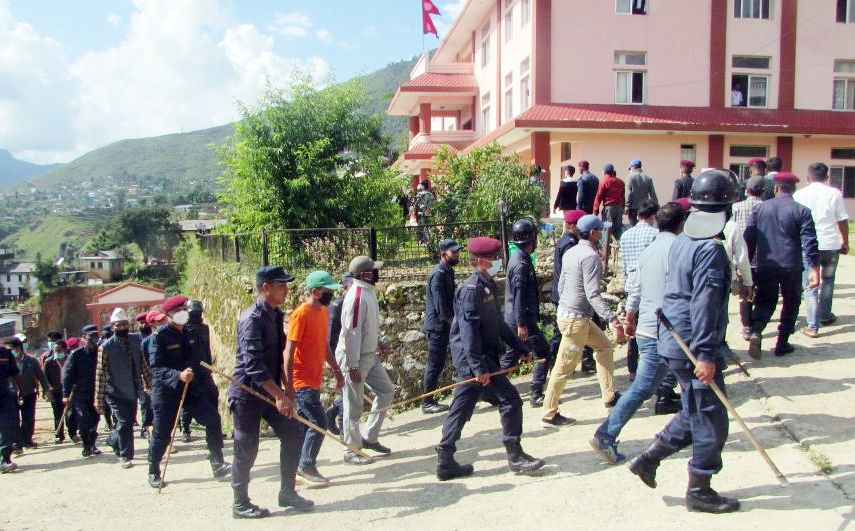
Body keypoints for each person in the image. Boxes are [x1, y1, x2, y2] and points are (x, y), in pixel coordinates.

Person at [628, 169, 741, 514]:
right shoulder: (710, 249)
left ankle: (649, 459)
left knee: (695, 411)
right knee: (711, 419)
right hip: (692, 344)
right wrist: (706, 353)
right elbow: (704, 304)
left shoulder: (683, 241)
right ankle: (699, 489)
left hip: (675, 339)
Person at [434, 236, 544, 480]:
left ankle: (445, 459)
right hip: (475, 360)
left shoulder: (488, 285)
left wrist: (520, 347)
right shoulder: (471, 290)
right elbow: (468, 332)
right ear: (481, 261)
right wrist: (478, 368)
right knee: (511, 401)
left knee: (461, 408)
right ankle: (515, 455)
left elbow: (499, 324)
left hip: (480, 359)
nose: (498, 261)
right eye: (494, 258)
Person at [591, 202, 685, 464]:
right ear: (681, 224)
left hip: (648, 328)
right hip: (668, 331)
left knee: (647, 387)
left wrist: (630, 318)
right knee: (652, 386)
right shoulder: (680, 249)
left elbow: (636, 291)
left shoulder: (649, 251)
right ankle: (606, 435)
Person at [229, 266, 314, 519]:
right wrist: (279, 396)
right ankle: (240, 503)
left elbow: (279, 356)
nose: (286, 289)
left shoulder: (275, 314)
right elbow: (254, 366)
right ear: (265, 287)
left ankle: (287, 492)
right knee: (247, 446)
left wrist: (288, 389)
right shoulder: (251, 319)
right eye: (281, 285)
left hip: (270, 390)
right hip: (247, 393)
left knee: (293, 432)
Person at [541, 215, 626, 428]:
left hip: (572, 315)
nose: (603, 234)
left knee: (604, 347)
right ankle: (549, 414)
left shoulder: (572, 252)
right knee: (564, 367)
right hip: (576, 318)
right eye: (601, 230)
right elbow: (593, 294)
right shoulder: (590, 256)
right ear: (593, 232)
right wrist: (612, 318)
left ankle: (609, 396)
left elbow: (561, 285)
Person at [147, 295, 230, 489]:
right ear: (168, 315)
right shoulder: (159, 337)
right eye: (178, 311)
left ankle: (217, 463)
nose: (183, 313)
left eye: (184, 309)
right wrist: (178, 375)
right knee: (162, 433)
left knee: (212, 419)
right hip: (166, 391)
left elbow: (197, 359)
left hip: (191, 387)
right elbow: (156, 368)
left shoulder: (191, 332)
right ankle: (153, 470)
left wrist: (206, 378)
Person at [744, 172, 820, 358]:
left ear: (776, 188)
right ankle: (782, 343)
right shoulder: (802, 211)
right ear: (794, 189)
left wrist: (746, 266)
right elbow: (810, 242)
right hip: (791, 266)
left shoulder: (760, 209)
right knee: (791, 302)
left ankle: (756, 331)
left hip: (766, 264)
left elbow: (749, 239)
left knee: (764, 300)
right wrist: (814, 268)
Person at [283, 270, 345, 487]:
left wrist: (336, 369)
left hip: (314, 378)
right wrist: (288, 385)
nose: (331, 294)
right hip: (301, 381)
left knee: (305, 426)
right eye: (328, 291)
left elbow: (324, 344)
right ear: (315, 292)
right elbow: (289, 352)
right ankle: (306, 466)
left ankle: (296, 468)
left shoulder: (324, 311)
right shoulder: (300, 315)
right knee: (319, 423)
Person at [336, 255, 395, 464]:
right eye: (373, 270)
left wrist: (379, 340)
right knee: (353, 406)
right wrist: (352, 366)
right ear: (364, 274)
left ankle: (369, 437)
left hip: (369, 354)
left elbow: (369, 324)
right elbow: (351, 333)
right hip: (355, 358)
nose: (377, 273)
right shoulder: (357, 296)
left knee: (386, 391)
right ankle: (351, 450)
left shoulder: (368, 291)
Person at [793, 163, 850, 337]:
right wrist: (845, 241)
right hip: (830, 243)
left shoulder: (799, 194)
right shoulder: (834, 193)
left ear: (808, 177)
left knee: (810, 284)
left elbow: (794, 221)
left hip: (808, 244)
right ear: (827, 177)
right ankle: (825, 314)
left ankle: (812, 325)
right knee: (828, 280)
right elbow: (842, 219)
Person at [502, 218, 551, 407]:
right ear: (531, 239)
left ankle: (490, 390)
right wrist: (522, 324)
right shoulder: (521, 264)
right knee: (543, 352)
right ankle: (536, 393)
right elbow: (519, 296)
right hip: (521, 320)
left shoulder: (520, 258)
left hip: (516, 318)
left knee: (511, 356)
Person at [94, 308, 151, 469]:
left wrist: (149, 383)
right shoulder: (106, 347)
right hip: (114, 391)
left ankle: (112, 440)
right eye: (118, 325)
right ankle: (125, 455)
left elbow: (142, 363)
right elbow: (100, 373)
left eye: (124, 324)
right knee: (125, 422)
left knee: (127, 421)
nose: (122, 328)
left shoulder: (136, 340)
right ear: (112, 327)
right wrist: (98, 399)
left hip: (132, 389)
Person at [618, 200, 660, 381]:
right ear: (654, 216)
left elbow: (624, 264)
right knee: (652, 330)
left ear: (637, 216)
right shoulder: (656, 234)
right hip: (649, 287)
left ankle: (632, 370)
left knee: (633, 331)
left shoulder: (626, 235)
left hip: (630, 286)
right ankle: (652, 370)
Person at [422, 239, 461, 414]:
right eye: (454, 252)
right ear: (444, 254)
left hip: (447, 324)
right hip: (438, 327)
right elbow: (441, 307)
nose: (457, 255)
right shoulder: (437, 274)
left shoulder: (448, 271)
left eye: (458, 251)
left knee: (461, 357)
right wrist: (454, 325)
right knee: (435, 364)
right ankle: (427, 402)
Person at [548, 209, 586, 379]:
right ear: (573, 225)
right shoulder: (570, 244)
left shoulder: (566, 241)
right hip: (565, 294)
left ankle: (586, 362)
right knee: (561, 333)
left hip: (563, 293)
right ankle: (553, 366)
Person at [731, 175, 765, 340]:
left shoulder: (737, 207)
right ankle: (757, 323)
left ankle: (746, 325)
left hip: (743, 255)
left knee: (745, 292)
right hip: (763, 256)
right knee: (761, 292)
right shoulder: (766, 207)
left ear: (746, 190)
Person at [5, 336, 52, 451]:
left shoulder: (31, 360)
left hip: (29, 393)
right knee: (13, 419)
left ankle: (27, 440)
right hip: (12, 395)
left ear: (18, 348)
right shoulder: (6, 363)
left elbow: (41, 376)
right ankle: (16, 443)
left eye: (10, 349)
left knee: (28, 418)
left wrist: (46, 390)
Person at [63, 325, 103, 458]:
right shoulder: (76, 354)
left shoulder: (101, 352)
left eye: (96, 336)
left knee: (95, 419)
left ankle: (92, 444)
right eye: (91, 336)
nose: (94, 339)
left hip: (96, 392)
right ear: (84, 338)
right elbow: (67, 376)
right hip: (79, 394)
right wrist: (65, 394)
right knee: (84, 419)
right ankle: (86, 446)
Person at [324, 273, 354, 435]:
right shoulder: (337, 305)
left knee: (350, 392)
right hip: (340, 354)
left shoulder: (356, 302)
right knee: (347, 393)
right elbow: (329, 336)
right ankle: (344, 430)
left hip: (354, 353)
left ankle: (334, 410)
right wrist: (330, 361)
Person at [181, 299, 212, 443]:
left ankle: (212, 429)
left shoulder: (204, 328)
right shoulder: (184, 330)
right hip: (190, 370)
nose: (196, 315)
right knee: (190, 400)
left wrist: (209, 366)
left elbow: (207, 349)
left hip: (204, 370)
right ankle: (185, 428)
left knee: (211, 395)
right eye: (194, 313)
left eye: (198, 312)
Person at [44, 338, 76, 444]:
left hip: (70, 391)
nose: (56, 352)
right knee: (57, 414)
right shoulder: (49, 362)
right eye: (55, 350)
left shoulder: (71, 359)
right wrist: (47, 391)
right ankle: (59, 436)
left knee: (70, 414)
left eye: (59, 350)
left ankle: (73, 434)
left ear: (64, 349)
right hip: (56, 391)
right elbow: (45, 378)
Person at [1, 341, 24, 473]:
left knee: (8, 427)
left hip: (5, 397)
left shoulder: (5, 354)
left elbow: (14, 373)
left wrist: (21, 389)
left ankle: (5, 460)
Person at [593, 163, 625, 238]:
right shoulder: (620, 182)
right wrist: (623, 208)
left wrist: (595, 211)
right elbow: (622, 197)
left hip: (609, 208)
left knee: (607, 230)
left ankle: (606, 244)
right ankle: (619, 243)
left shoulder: (604, 181)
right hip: (619, 208)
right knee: (618, 229)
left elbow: (599, 196)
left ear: (604, 171)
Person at [626, 159, 658, 227]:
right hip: (644, 207)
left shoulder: (630, 177)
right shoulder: (647, 178)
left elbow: (628, 194)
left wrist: (626, 207)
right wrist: (655, 207)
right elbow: (652, 194)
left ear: (633, 167)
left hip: (633, 208)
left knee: (634, 227)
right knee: (645, 226)